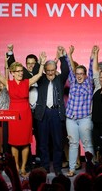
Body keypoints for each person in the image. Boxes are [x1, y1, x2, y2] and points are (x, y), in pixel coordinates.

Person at [0, 50, 47, 177]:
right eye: (18, 71)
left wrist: (42, 63)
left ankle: (23, 168)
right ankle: (16, 167)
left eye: (21, 71)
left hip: (26, 114)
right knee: (13, 142)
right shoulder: (9, 83)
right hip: (14, 115)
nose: (20, 73)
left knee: (25, 142)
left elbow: (39, 75)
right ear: (12, 73)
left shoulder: (26, 82)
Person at [34, 46, 69, 176]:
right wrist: (40, 62)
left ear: (55, 70)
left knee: (57, 143)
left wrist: (62, 56)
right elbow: (34, 72)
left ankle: (57, 167)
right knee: (42, 143)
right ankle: (45, 167)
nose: (50, 73)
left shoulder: (59, 80)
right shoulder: (41, 79)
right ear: (45, 70)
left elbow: (65, 69)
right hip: (43, 113)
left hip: (56, 113)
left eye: (52, 70)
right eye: (47, 70)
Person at [65, 45, 98, 177]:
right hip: (71, 119)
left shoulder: (89, 83)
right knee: (73, 143)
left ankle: (90, 169)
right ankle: (72, 169)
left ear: (85, 75)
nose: (78, 76)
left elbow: (91, 68)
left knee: (88, 144)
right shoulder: (72, 82)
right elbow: (68, 66)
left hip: (85, 118)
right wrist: (70, 55)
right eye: (77, 73)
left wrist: (93, 54)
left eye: (81, 74)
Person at [6, 44, 41, 164]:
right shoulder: (23, 75)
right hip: (24, 111)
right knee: (20, 140)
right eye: (28, 63)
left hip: (39, 112)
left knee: (39, 139)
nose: (31, 65)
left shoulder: (43, 74)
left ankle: (38, 162)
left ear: (36, 63)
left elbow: (40, 74)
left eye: (33, 63)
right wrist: (10, 52)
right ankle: (27, 164)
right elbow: (13, 65)